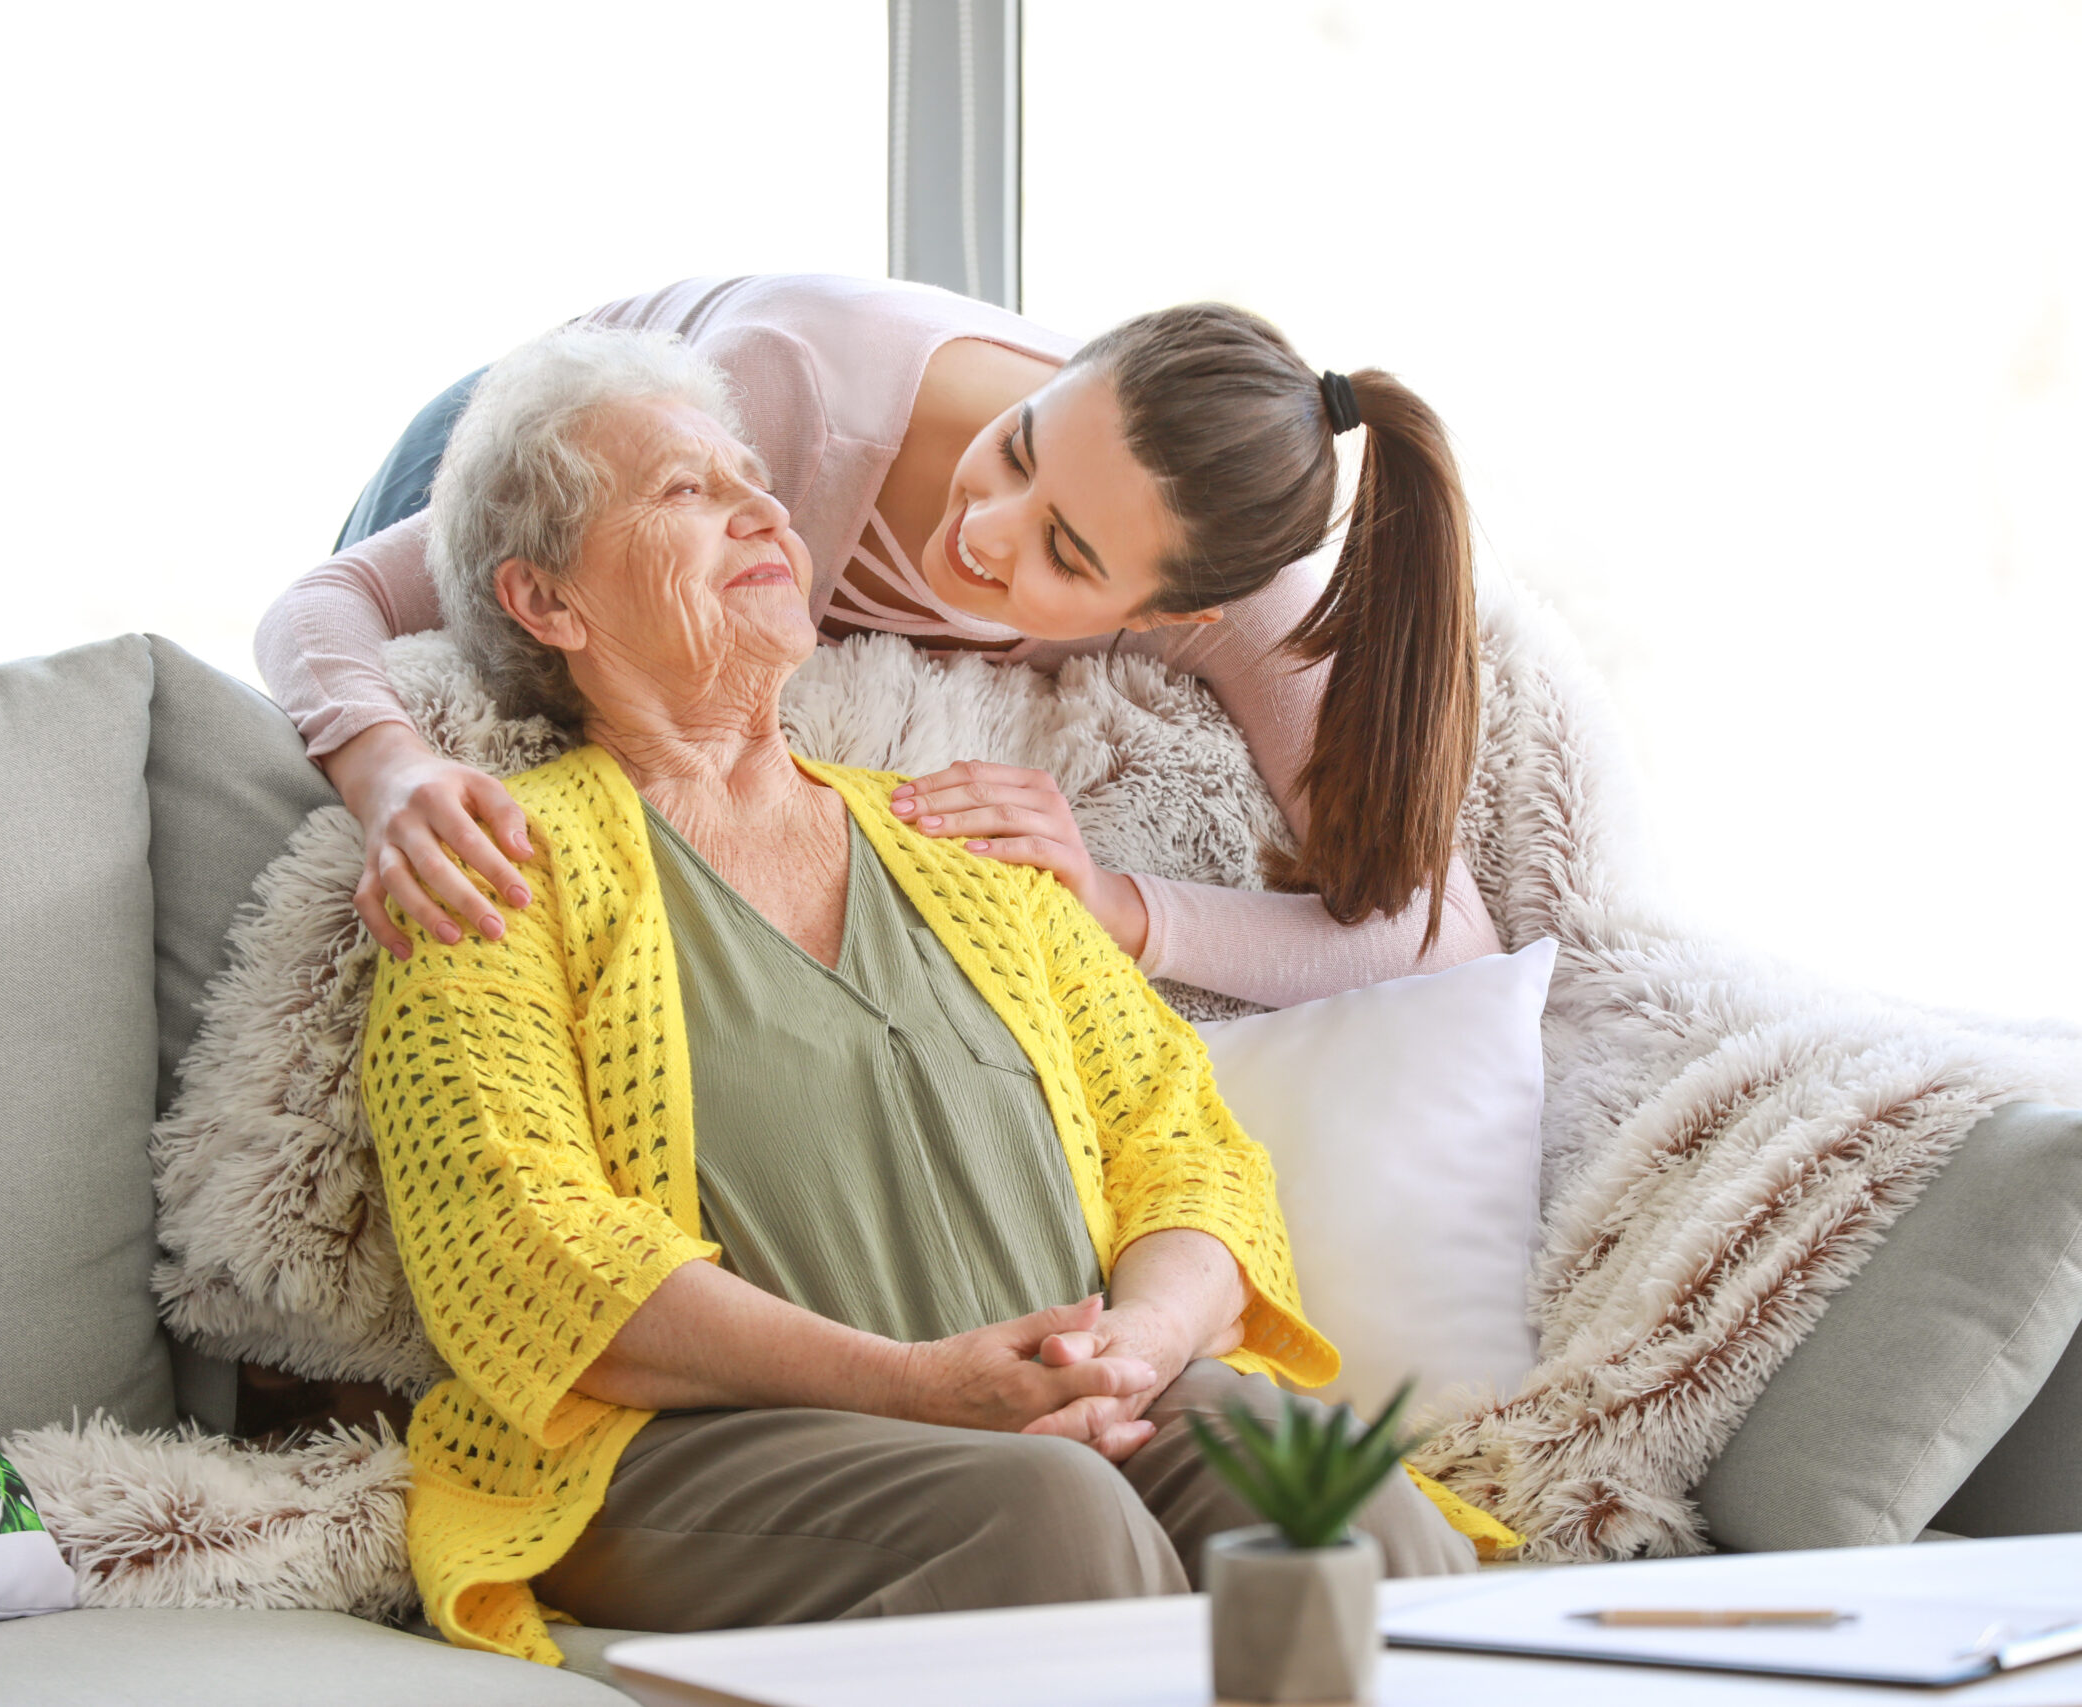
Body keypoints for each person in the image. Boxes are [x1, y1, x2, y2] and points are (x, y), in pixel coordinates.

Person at [360, 325, 1507, 1668]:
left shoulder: (964, 836)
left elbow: (1187, 1154)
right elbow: (525, 1252)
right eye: (685, 490)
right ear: (549, 603)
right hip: (698, 1452)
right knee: (1049, 1517)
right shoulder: (495, 866)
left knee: (1337, 1502)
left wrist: (1138, 1343)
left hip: (1072, 1413)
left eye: (753, 478)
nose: (760, 508)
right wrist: (921, 1388)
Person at [261, 275, 1502, 1011]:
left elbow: (1436, 933)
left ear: (1176, 616)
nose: (985, 529)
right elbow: (318, 608)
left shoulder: (1239, 592)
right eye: (1017, 445)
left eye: (1065, 554)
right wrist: (392, 774)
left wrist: (1116, 908)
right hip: (529, 448)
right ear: (1061, 373)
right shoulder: (782, 407)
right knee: (320, 828)